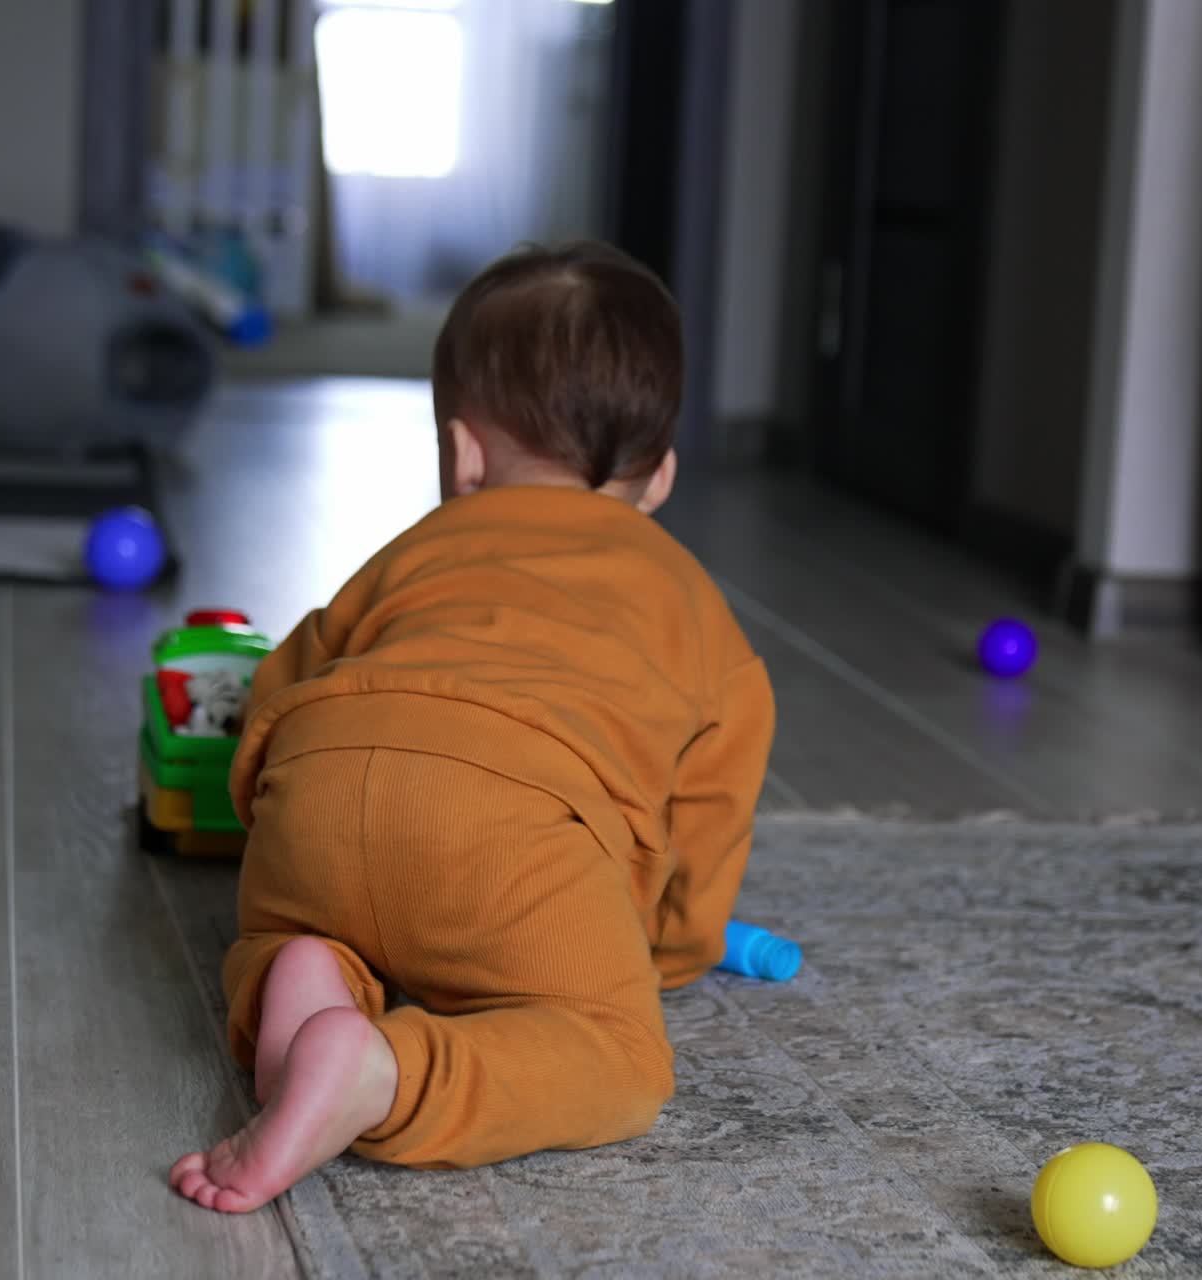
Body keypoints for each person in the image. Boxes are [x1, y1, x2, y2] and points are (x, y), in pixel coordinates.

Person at [170, 240, 775, 1213]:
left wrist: (265, 819)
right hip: (511, 835)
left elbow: (286, 679)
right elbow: (708, 811)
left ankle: (309, 967)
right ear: (657, 477)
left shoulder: (415, 547)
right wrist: (661, 952)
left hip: (320, 801)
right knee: (622, 1062)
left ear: (464, 452)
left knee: (296, 921)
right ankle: (384, 1075)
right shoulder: (689, 601)